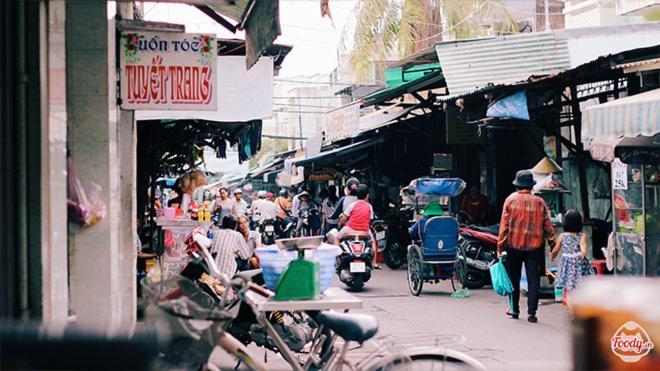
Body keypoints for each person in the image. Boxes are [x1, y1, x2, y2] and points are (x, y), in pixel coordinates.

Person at [497, 170, 555, 323]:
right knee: (533, 279)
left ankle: (514, 309)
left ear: (517, 185)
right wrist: (553, 245)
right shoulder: (540, 202)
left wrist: (500, 247)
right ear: (531, 186)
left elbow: (504, 228)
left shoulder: (510, 200)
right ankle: (532, 313)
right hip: (534, 248)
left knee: (513, 279)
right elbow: (548, 227)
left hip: (513, 246)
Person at [551, 210, 588, 297]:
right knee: (578, 280)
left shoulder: (562, 236)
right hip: (577, 261)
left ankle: (569, 297)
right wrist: (582, 252)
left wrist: (553, 255)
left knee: (567, 280)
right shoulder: (581, 235)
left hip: (566, 262)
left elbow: (556, 249)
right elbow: (583, 245)